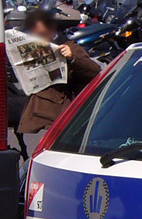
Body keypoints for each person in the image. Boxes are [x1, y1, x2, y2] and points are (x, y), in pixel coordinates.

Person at [16, 11, 101, 153]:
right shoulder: (32, 47)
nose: (38, 37)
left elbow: (94, 71)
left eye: (42, 34)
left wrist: (72, 58)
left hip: (57, 113)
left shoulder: (69, 46)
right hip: (36, 114)